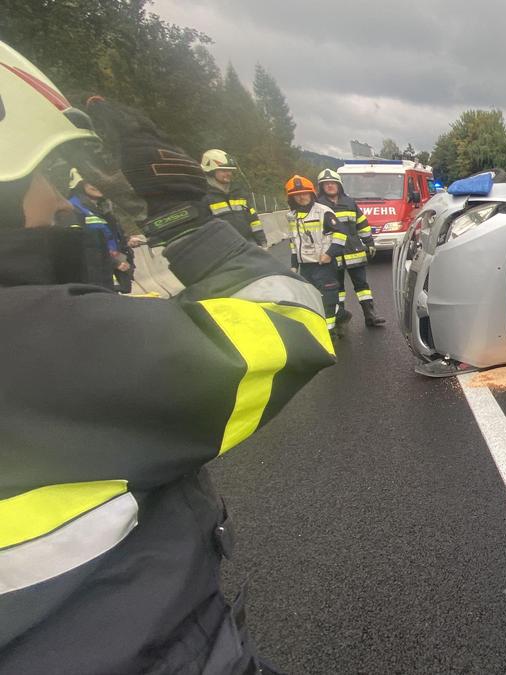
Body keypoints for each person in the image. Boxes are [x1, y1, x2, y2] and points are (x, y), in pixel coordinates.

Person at [0, 41, 336, 673]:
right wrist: (187, 222)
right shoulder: (45, 344)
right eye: (41, 173)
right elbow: (289, 325)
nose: (57, 197)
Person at [316, 168, 385, 329]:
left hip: (354, 251)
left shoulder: (349, 203)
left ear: (339, 185)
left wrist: (369, 242)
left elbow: (362, 224)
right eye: (326, 184)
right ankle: (340, 319)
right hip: (333, 254)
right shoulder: (318, 206)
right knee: (337, 288)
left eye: (333, 183)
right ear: (321, 187)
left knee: (362, 286)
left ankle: (370, 315)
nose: (330, 186)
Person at [284, 175, 345, 336]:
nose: (302, 197)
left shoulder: (323, 212)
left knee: (328, 298)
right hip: (305, 266)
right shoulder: (292, 217)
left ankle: (329, 332)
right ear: (291, 198)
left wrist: (329, 254)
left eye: (305, 193)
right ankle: (341, 315)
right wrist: (294, 264)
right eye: (297, 195)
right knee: (312, 298)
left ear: (312, 194)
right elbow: (294, 243)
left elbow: (341, 235)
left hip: (323, 264)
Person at [65, 168, 135, 292]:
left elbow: (112, 230)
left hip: (115, 264)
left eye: (98, 181)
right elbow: (81, 244)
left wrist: (127, 240)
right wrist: (114, 262)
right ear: (79, 185)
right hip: (99, 269)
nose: (97, 186)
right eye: (91, 182)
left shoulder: (103, 205)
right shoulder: (72, 208)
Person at [201, 148, 268, 247]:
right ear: (210, 171)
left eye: (230, 170)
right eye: (224, 170)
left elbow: (253, 219)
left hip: (249, 244)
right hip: (224, 250)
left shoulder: (238, 193)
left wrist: (262, 241)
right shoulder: (204, 197)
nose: (229, 174)